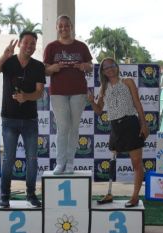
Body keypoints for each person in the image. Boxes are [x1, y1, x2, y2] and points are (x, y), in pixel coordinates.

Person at [0, 31, 46, 208]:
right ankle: (5, 195)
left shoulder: (38, 66)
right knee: (9, 159)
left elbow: (40, 92)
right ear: (20, 43)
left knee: (32, 159)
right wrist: (4, 56)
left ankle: (31, 194)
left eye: (33, 43)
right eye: (27, 42)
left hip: (30, 120)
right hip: (9, 119)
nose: (30, 46)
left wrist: (26, 97)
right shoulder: (9, 62)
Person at [87, 57, 149, 207]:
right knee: (112, 161)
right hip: (115, 126)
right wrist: (90, 101)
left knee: (136, 162)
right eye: (106, 67)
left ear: (117, 67)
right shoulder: (104, 88)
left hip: (130, 123)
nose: (110, 69)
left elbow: (137, 103)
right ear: (103, 71)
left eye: (112, 66)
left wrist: (144, 123)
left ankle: (135, 196)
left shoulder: (127, 82)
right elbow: (99, 111)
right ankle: (109, 193)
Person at [44, 15, 93, 175]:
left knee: (74, 128)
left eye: (66, 26)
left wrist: (86, 66)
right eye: (61, 26)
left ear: (71, 27)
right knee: (63, 127)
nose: (64, 28)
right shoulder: (51, 47)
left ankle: (70, 162)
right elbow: (44, 69)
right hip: (58, 92)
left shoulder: (81, 46)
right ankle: (60, 163)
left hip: (78, 91)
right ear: (57, 28)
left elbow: (91, 66)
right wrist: (52, 68)